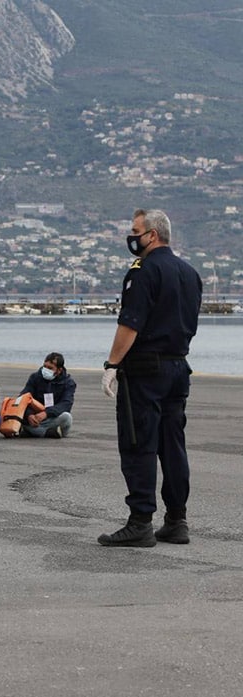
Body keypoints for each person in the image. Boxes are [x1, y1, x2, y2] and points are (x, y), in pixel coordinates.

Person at [98, 209, 202, 547]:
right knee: (173, 447)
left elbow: (130, 324)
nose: (132, 237)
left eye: (135, 231)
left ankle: (140, 520)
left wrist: (112, 364)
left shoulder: (143, 272)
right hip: (178, 367)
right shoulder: (190, 274)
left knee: (139, 443)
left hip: (145, 370)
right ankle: (177, 520)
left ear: (152, 235)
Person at [19, 353, 76, 438]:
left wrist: (46, 413)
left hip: (52, 417)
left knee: (67, 417)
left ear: (59, 370)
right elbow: (24, 397)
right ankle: (43, 432)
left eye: (50, 368)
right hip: (34, 417)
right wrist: (29, 415)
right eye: (45, 366)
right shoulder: (35, 377)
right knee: (21, 416)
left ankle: (34, 431)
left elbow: (66, 404)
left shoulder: (68, 382)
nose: (45, 369)